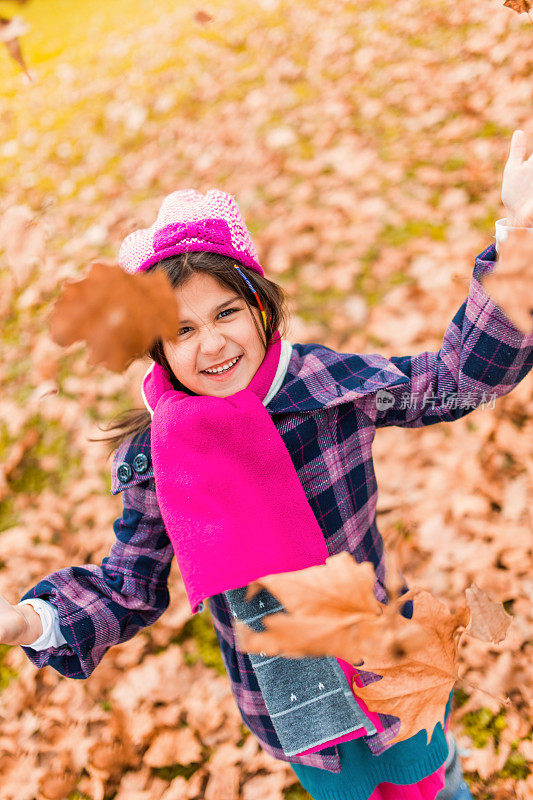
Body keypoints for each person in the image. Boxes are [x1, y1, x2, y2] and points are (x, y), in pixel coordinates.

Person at [2, 130, 532, 800]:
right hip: (292, 703)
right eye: (183, 330)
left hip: (389, 654)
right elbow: (128, 584)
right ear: (158, 350)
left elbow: (456, 377)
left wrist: (517, 235)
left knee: (433, 779)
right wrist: (32, 621)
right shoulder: (159, 456)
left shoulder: (321, 387)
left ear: (258, 307)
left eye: (226, 312)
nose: (214, 342)